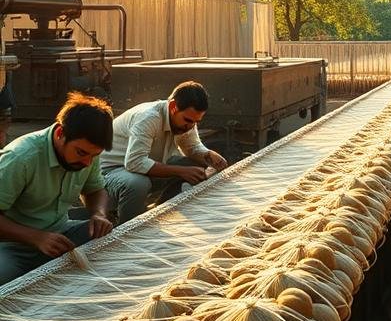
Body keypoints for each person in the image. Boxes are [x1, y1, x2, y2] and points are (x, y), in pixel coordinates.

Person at [0, 93, 114, 285]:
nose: (87, 162)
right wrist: (37, 238)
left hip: (60, 235)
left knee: (106, 238)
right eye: (81, 153)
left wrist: (99, 214)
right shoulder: (21, 157)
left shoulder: (88, 154)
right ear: (61, 133)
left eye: (94, 156)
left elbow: (95, 190)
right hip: (13, 246)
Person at [100, 81, 228, 224]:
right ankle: (126, 228)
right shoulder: (149, 118)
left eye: (196, 122)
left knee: (197, 167)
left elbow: (192, 147)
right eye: (188, 120)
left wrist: (208, 155)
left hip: (139, 167)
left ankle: (159, 211)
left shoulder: (185, 122)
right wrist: (181, 171)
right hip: (110, 171)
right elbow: (134, 162)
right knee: (138, 184)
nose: (190, 126)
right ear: (173, 107)